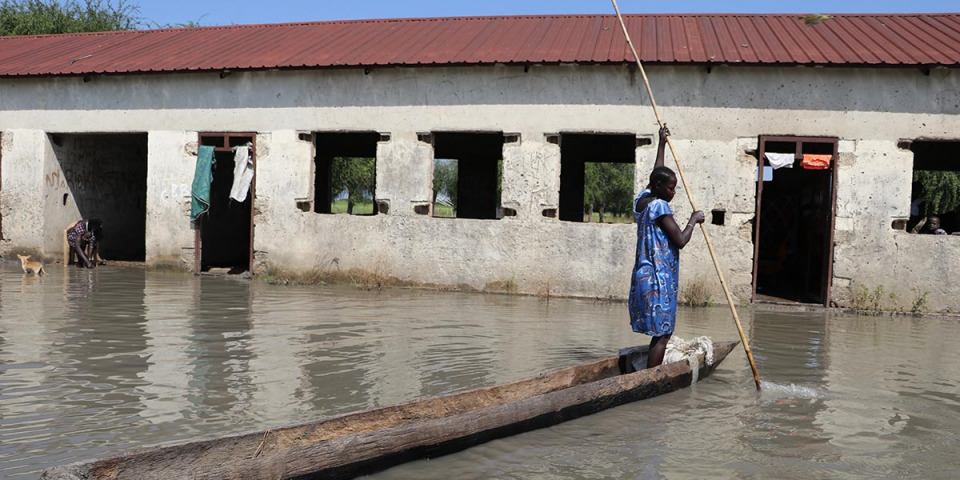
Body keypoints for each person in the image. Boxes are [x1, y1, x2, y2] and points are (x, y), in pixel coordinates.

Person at [628, 126, 705, 369]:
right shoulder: (660, 206)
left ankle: (649, 374)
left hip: (643, 275)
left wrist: (661, 144)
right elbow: (680, 240)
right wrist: (694, 220)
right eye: (670, 188)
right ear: (660, 187)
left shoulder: (641, 201)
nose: (672, 192)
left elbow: (655, 173)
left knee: (658, 332)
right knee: (663, 333)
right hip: (659, 279)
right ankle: (651, 379)